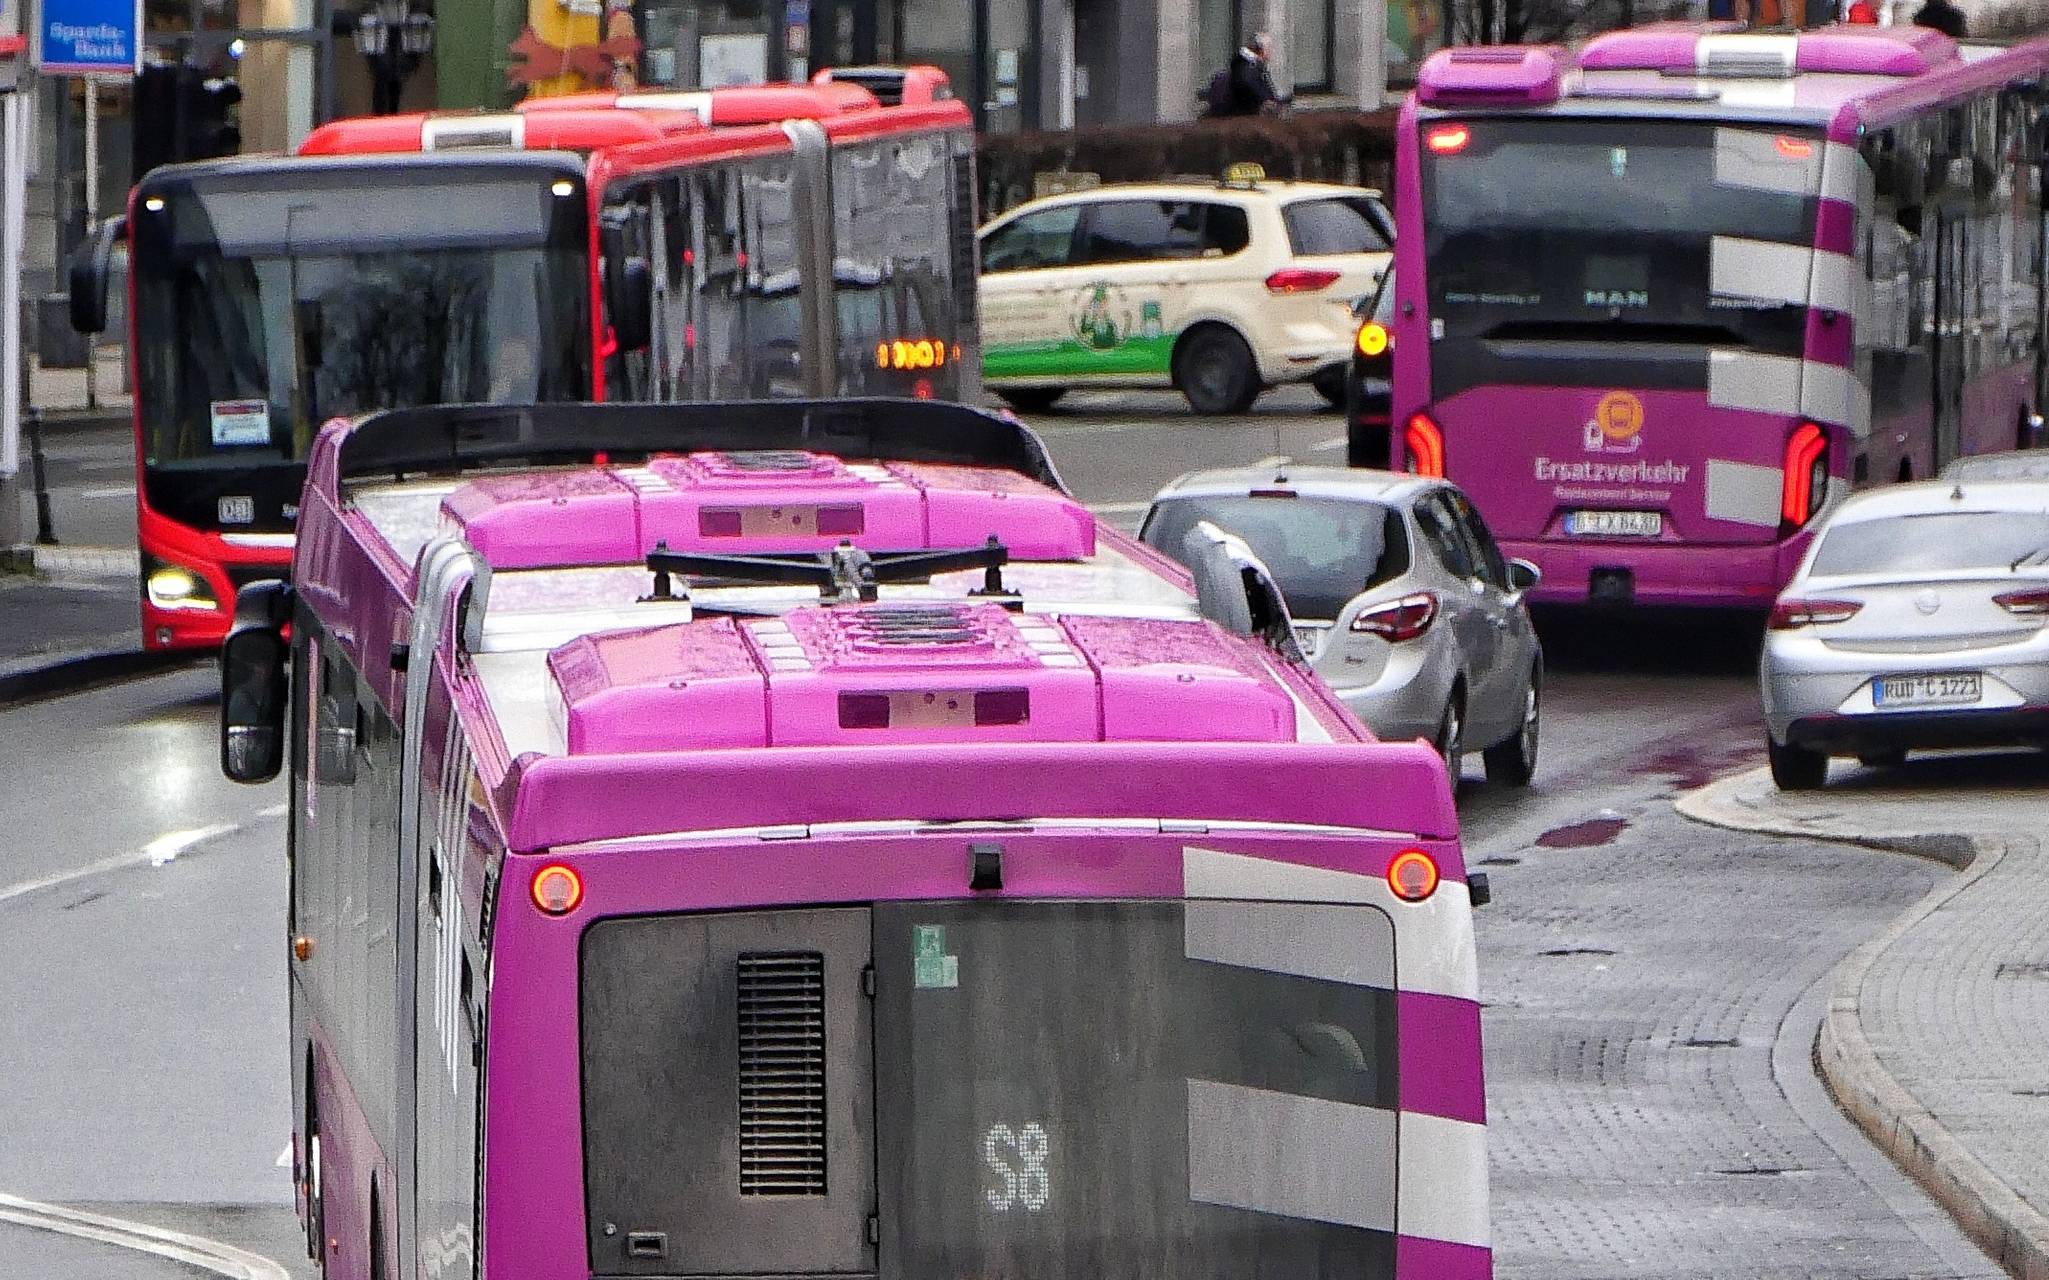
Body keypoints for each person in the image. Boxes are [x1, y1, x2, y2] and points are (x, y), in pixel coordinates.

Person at [1204, 32, 1287, 118]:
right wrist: (1267, 99)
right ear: (1262, 49)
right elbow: (1250, 85)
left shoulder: (1251, 65)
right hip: (1240, 116)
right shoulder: (1249, 67)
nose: (1272, 51)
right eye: (1270, 47)